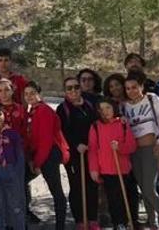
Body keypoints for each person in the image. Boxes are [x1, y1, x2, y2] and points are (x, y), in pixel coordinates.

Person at [122, 70, 159, 228]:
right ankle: (152, 222)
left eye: (134, 87)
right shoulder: (124, 106)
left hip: (150, 149)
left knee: (149, 188)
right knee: (143, 188)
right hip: (134, 152)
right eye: (128, 88)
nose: (131, 91)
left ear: (141, 86)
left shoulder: (151, 99)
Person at [23, 81, 68, 230]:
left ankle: (60, 225)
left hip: (48, 154)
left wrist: (37, 163)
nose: (29, 96)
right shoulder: (32, 111)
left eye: (32, 93)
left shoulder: (44, 111)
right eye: (26, 94)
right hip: (39, 154)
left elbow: (46, 140)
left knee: (56, 191)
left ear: (39, 93)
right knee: (20, 182)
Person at [56, 76, 100, 229]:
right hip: (75, 155)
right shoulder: (63, 109)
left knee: (92, 185)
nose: (73, 90)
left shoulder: (89, 105)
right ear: (65, 91)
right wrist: (76, 145)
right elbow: (62, 131)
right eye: (69, 88)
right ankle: (80, 220)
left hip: (92, 152)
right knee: (77, 186)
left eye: (76, 87)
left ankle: (93, 218)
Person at [88, 99, 138, 229]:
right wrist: (93, 169)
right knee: (114, 200)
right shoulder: (95, 126)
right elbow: (92, 149)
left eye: (108, 108)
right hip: (107, 170)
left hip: (124, 169)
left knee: (129, 198)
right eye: (102, 109)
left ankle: (132, 222)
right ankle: (118, 224)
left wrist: (120, 147)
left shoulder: (122, 124)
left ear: (114, 108)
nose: (105, 112)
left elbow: (132, 146)